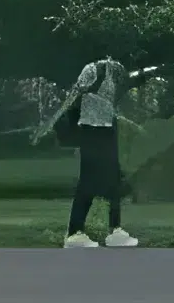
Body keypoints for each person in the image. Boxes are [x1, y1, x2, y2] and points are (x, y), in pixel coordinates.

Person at [57, 52, 138, 250]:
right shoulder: (91, 69)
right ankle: (74, 233)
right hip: (90, 130)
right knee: (88, 181)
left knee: (114, 181)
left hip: (107, 129)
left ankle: (115, 230)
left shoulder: (117, 73)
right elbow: (73, 100)